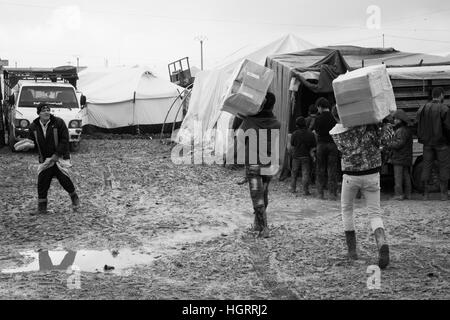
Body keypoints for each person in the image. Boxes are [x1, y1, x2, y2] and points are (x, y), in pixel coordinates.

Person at [330, 105, 394, 269]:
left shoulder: (335, 133)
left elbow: (343, 150)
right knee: (374, 212)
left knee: (347, 211)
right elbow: (385, 140)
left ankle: (352, 252)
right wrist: (384, 122)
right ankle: (381, 243)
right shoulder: (367, 126)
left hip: (350, 175)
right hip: (372, 174)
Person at [237, 92, 281, 238]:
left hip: (254, 164)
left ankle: (264, 228)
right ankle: (257, 224)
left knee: (257, 196)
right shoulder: (275, 122)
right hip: (268, 164)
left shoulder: (250, 121)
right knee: (264, 194)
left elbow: (240, 137)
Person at [28, 103, 80, 215]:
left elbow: (64, 140)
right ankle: (42, 209)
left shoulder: (59, 123)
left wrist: (56, 156)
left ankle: (74, 198)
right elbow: (33, 142)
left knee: (64, 179)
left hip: (59, 158)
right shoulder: (33, 126)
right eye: (43, 110)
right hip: (45, 159)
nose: (46, 112)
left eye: (48, 110)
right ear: (39, 113)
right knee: (42, 182)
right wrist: (27, 145)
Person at [417, 87, 450, 201]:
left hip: (427, 144)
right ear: (441, 95)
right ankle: (444, 194)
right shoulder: (444, 108)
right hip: (442, 144)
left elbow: (417, 124)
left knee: (426, 166)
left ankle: (425, 195)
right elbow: (448, 127)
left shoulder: (423, 108)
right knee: (444, 167)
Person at [313, 97, 339, 200]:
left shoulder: (318, 118)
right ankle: (332, 194)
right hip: (333, 145)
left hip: (321, 145)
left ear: (320, 107)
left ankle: (320, 194)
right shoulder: (334, 117)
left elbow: (316, 132)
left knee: (320, 169)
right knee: (332, 169)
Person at [390, 110, 413, 200]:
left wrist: (389, 143)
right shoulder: (406, 129)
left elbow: (399, 144)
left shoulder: (400, 130)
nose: (394, 121)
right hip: (406, 157)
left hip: (399, 158)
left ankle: (398, 195)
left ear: (400, 120)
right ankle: (408, 194)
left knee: (398, 177)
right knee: (406, 176)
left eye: (396, 119)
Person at [290, 117, 316, 195]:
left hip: (296, 156)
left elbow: (292, 144)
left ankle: (293, 189)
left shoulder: (294, 133)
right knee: (305, 173)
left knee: (294, 173)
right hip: (306, 156)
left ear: (297, 125)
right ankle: (305, 191)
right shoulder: (310, 134)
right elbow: (313, 146)